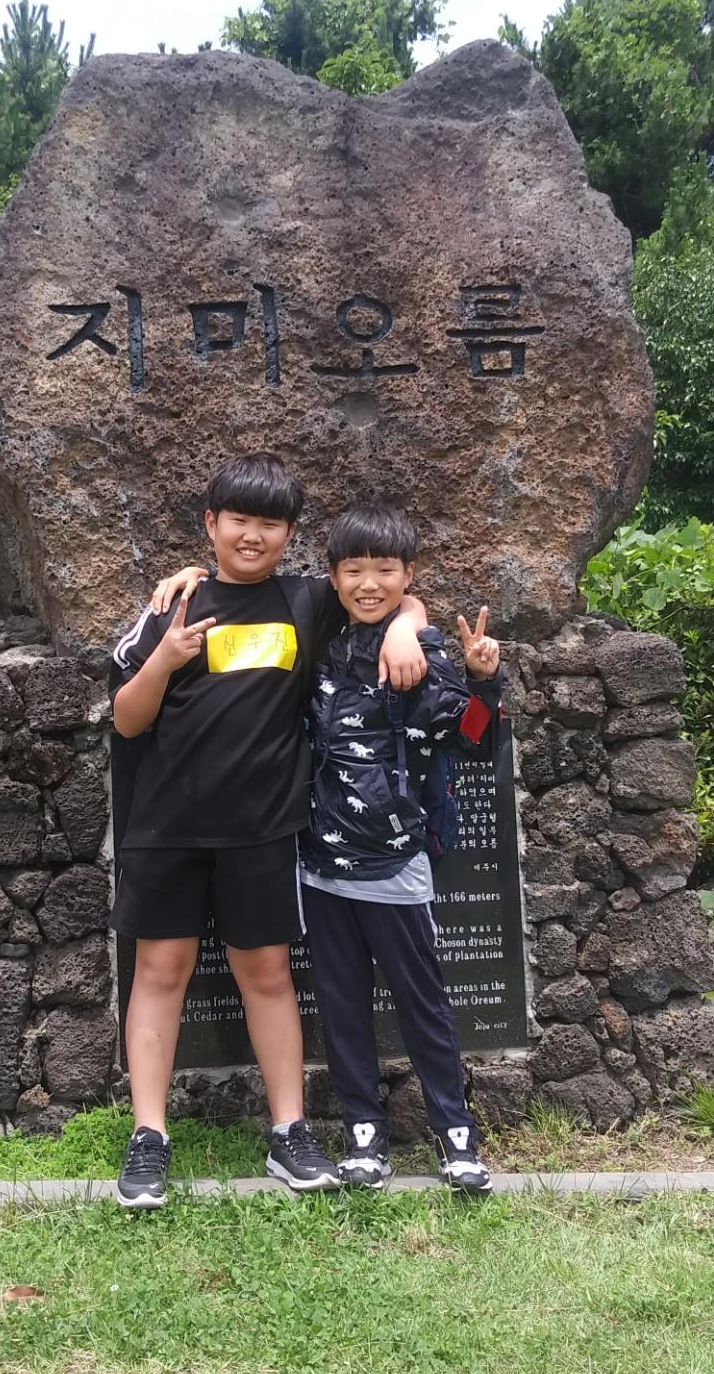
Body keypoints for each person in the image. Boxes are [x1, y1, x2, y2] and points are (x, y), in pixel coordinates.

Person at [109, 452, 428, 1210]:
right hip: (166, 825)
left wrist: (407, 629)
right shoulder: (174, 605)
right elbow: (126, 721)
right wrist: (165, 658)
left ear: (289, 534)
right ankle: (148, 1136)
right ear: (211, 524)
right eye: (238, 520)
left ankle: (290, 1130)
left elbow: (386, 591)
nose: (252, 536)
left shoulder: (306, 601)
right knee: (159, 972)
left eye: (270, 524)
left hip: (263, 828)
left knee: (268, 973)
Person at [299, 500, 502, 1195]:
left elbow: (471, 738)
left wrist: (482, 680)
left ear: (407, 573)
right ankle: (363, 1131)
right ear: (332, 577)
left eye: (384, 570)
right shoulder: (322, 648)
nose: (368, 584)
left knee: (423, 1005)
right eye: (353, 570)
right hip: (320, 868)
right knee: (341, 1004)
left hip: (394, 867)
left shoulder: (423, 655)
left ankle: (455, 1134)